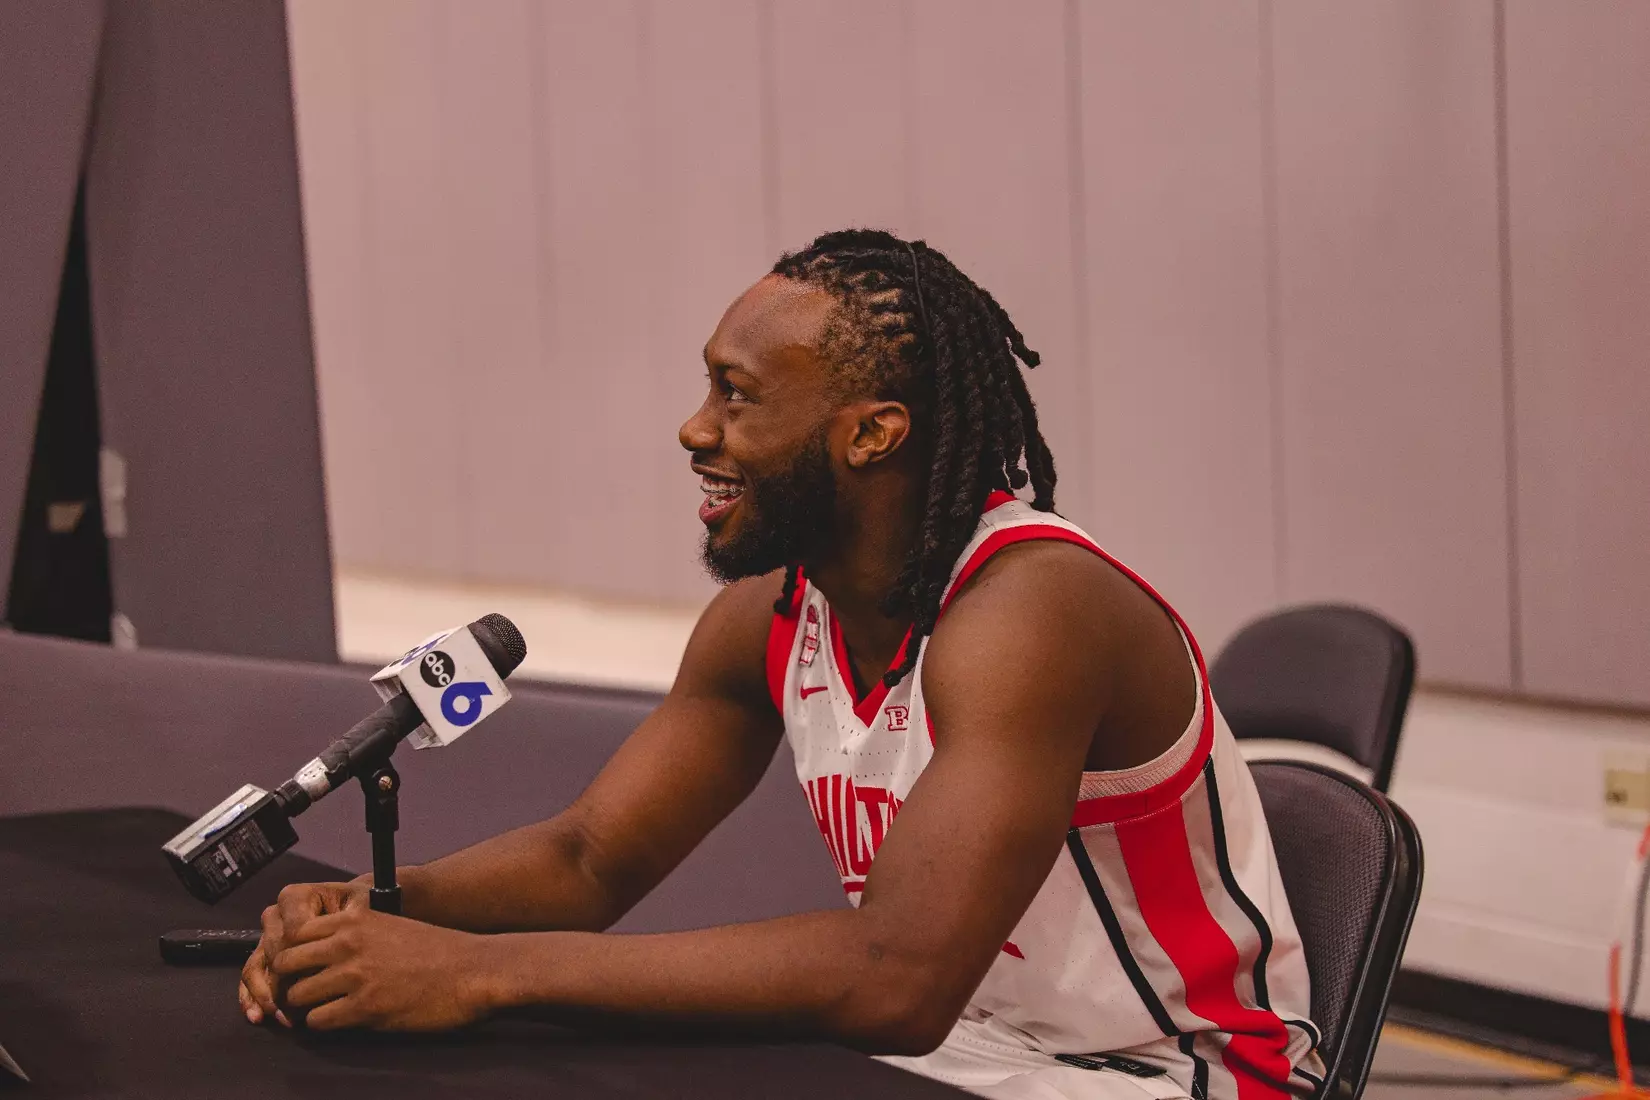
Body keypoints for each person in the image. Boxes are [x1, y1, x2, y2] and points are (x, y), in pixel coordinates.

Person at [239, 229, 1323, 1100]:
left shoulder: (1031, 611)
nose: (693, 429)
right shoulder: (768, 612)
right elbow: (588, 856)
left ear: (871, 433)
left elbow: (893, 974)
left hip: (1171, 1078)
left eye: (738, 394)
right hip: (963, 1055)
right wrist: (386, 911)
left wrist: (479, 971)